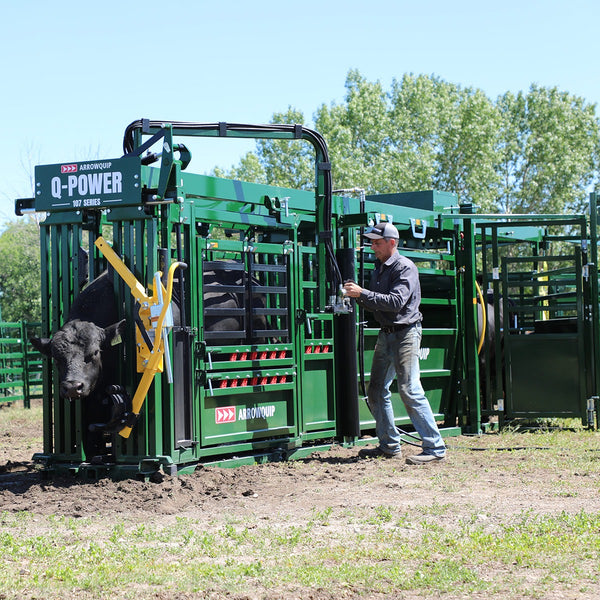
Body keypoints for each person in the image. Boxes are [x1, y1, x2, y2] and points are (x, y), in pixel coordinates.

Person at [343, 222, 446, 465]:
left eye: (377, 243)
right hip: (387, 333)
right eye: (371, 242)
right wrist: (355, 297)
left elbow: (395, 302)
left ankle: (435, 448)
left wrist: (362, 294)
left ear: (392, 243)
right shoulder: (379, 268)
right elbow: (377, 304)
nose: (372, 247)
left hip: (406, 333)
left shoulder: (405, 267)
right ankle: (389, 446)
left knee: (409, 388)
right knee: (376, 390)